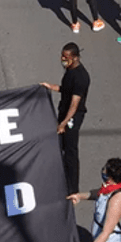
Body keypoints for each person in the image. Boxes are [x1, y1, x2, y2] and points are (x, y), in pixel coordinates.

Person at [39, 42, 89, 195]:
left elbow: (74, 104)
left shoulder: (81, 78)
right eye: (62, 56)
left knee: (70, 151)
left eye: (66, 57)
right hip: (64, 112)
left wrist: (63, 124)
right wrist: (51, 87)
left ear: (74, 58)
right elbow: (65, 90)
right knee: (58, 146)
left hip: (72, 117)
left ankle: (73, 189)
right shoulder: (69, 71)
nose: (62, 59)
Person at [67, 156, 121, 242]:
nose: (103, 171)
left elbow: (106, 233)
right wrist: (79, 196)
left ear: (110, 177)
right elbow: (98, 194)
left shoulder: (117, 201)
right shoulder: (110, 189)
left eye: (105, 170)